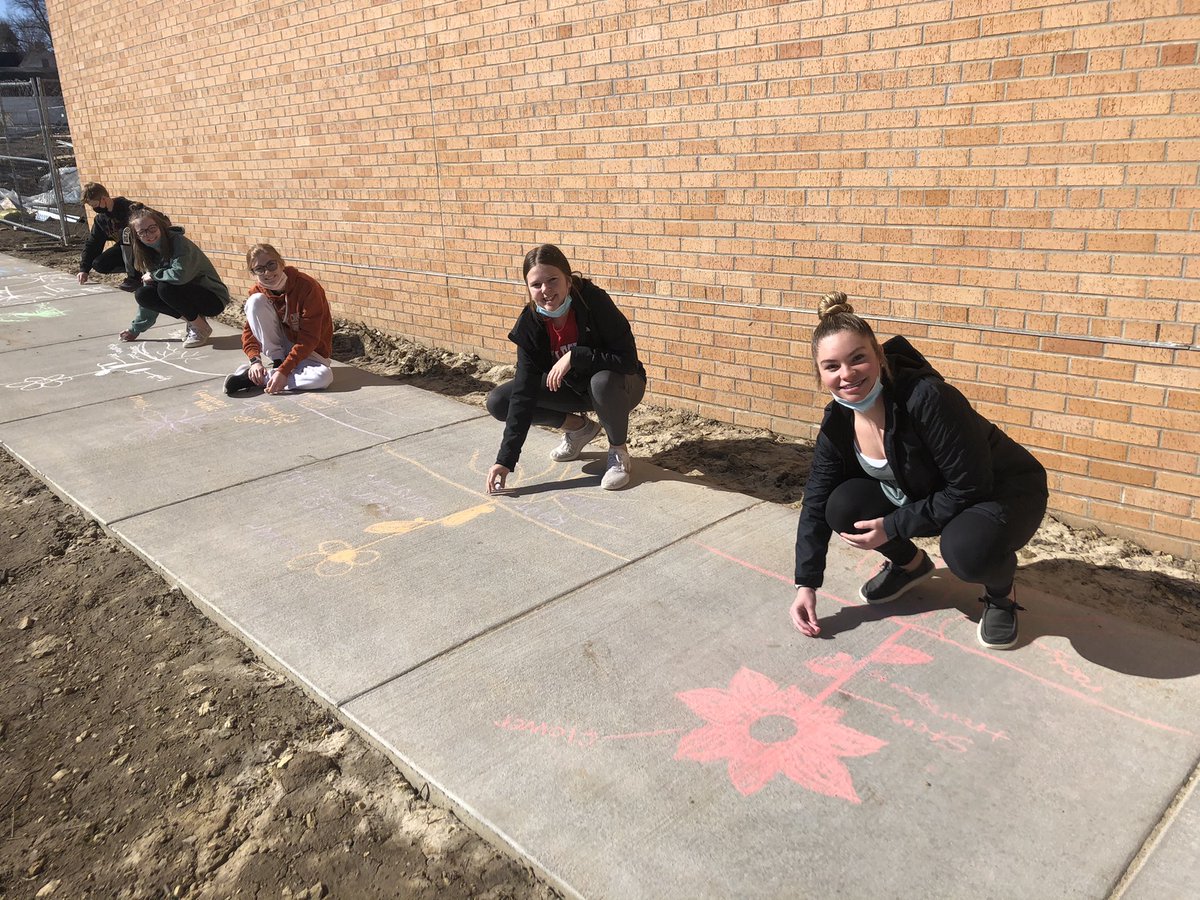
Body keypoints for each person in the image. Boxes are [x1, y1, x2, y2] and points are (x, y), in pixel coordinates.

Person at [790, 291, 1047, 650]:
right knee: (841, 505)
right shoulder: (838, 420)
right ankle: (911, 566)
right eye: (832, 366)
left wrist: (893, 525)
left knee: (965, 550)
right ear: (820, 374)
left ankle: (1001, 595)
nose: (846, 374)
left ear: (878, 356)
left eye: (858, 359)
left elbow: (970, 487)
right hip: (933, 492)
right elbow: (816, 498)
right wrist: (807, 584)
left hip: (1001, 492)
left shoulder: (927, 398)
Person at [486, 244, 647, 493]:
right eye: (536, 285)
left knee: (602, 381)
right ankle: (579, 429)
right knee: (500, 401)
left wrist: (576, 355)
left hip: (620, 387)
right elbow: (524, 393)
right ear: (528, 289)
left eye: (553, 280)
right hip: (573, 389)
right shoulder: (530, 324)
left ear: (568, 281)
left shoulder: (594, 302)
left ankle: (618, 452)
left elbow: (627, 360)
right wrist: (505, 461)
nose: (546, 290)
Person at [223, 243, 334, 395]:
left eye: (271, 265)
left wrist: (284, 372)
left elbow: (309, 338)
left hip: (310, 351)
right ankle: (276, 364)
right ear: (253, 273)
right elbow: (250, 331)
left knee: (323, 377)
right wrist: (255, 361)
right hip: (281, 351)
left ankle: (262, 378)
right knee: (255, 301)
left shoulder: (307, 287)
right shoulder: (257, 292)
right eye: (260, 269)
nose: (267, 273)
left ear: (281, 263)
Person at [128, 205, 229, 349]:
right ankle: (197, 323)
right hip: (188, 295)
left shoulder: (178, 242)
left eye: (152, 228)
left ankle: (200, 328)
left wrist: (155, 275)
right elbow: (149, 289)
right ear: (136, 236)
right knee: (143, 294)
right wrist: (135, 329)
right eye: (142, 232)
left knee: (165, 287)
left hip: (212, 298)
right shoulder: (146, 252)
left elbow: (180, 275)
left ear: (160, 226)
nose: (149, 235)